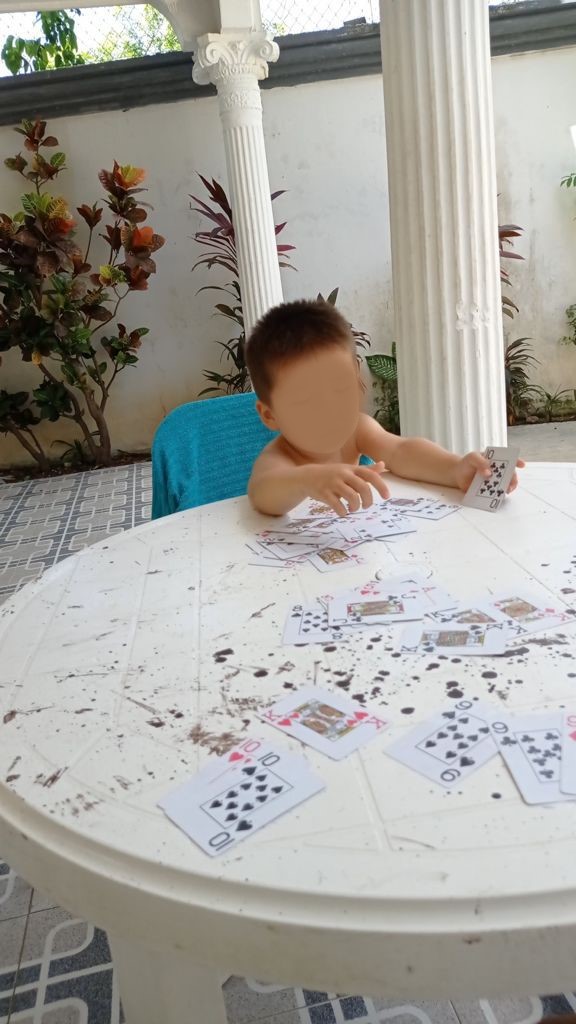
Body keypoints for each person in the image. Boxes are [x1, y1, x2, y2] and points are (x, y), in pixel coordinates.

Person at [245, 298, 523, 517]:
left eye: (341, 390)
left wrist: (454, 468)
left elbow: (402, 451)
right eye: (306, 401)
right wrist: (305, 480)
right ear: (270, 415)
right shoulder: (280, 457)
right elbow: (263, 492)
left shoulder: (357, 429)